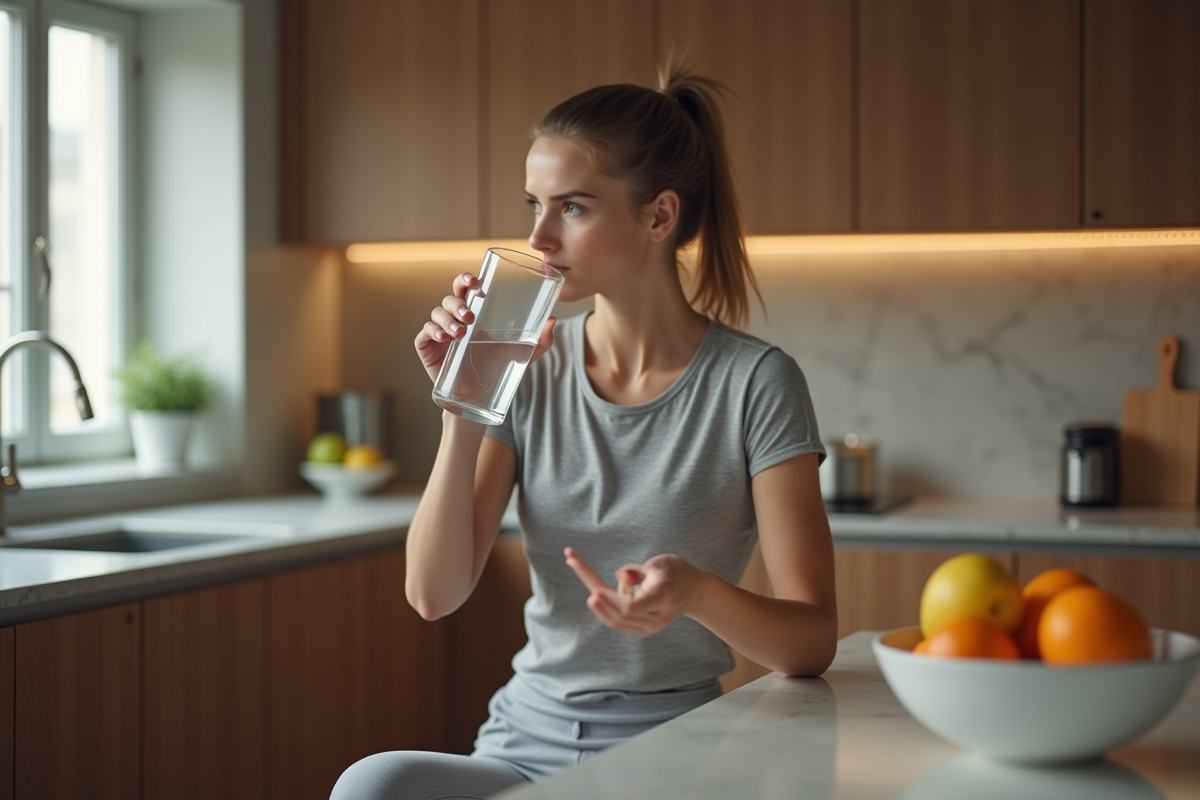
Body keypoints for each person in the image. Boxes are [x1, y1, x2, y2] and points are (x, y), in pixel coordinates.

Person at [331, 65, 837, 800]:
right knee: (372, 786)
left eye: (571, 207)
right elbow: (433, 595)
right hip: (520, 743)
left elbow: (811, 641)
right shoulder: (526, 365)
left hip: (671, 753)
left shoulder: (756, 383)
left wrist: (694, 592)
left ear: (659, 217)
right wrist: (465, 405)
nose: (538, 236)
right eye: (534, 205)